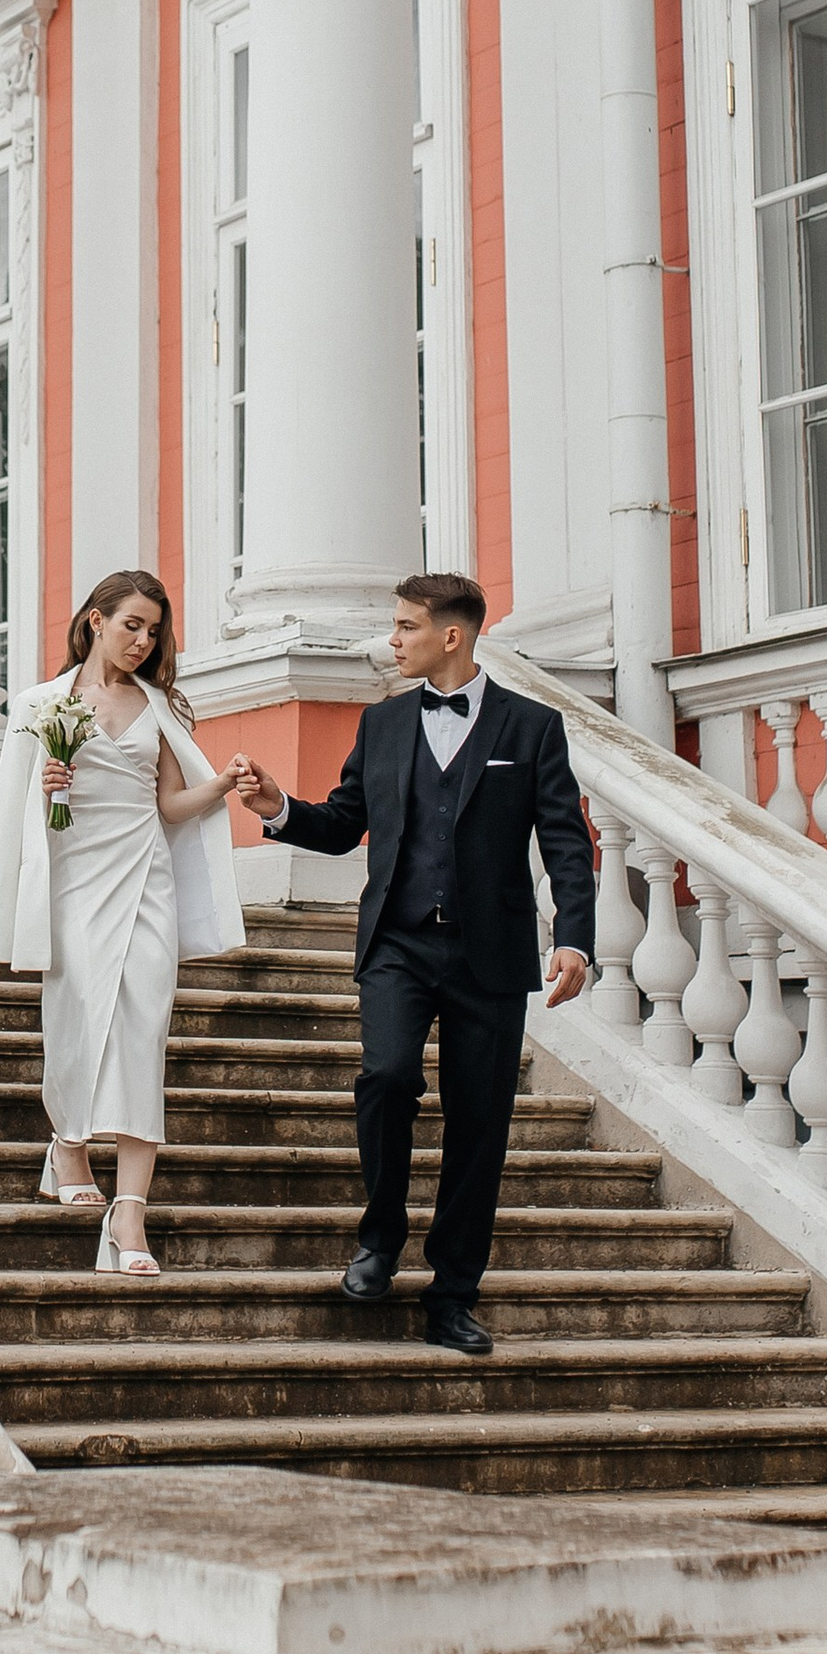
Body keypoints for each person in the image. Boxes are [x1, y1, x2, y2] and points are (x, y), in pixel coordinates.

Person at [233, 571, 594, 1352]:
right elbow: (342, 823)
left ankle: (453, 1295)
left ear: (451, 637)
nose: (392, 641)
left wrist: (574, 937)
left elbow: (566, 840)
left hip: (488, 953)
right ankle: (380, 1236)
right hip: (398, 942)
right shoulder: (384, 724)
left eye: (404, 628)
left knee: (478, 1125)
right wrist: (278, 810)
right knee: (388, 1076)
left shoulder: (531, 728)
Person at [0, 571, 247, 1276]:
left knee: (143, 1031)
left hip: (146, 876)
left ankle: (129, 1215)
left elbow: (169, 806)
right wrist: (47, 784)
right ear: (95, 621)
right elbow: (16, 814)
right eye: (132, 625)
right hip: (74, 878)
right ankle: (67, 1144)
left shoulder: (160, 707)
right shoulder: (43, 703)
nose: (143, 640)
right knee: (74, 1013)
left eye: (154, 631)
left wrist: (220, 785)